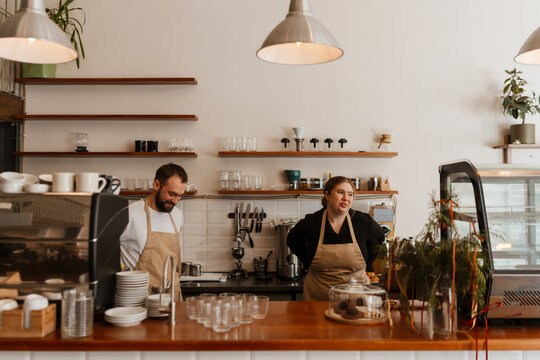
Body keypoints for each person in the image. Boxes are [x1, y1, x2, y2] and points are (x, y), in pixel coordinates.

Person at [287, 176, 385, 301]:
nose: (346, 198)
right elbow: (291, 240)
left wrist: (366, 263)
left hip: (356, 298)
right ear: (327, 195)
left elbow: (379, 240)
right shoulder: (311, 223)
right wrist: (309, 262)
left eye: (350, 194)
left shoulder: (362, 222)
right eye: (340, 192)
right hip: (318, 298)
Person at [120, 163, 187, 301]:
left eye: (180, 196)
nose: (175, 201)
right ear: (156, 185)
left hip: (171, 298)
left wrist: (177, 273)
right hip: (139, 300)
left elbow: (175, 249)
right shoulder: (129, 214)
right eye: (172, 194)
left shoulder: (177, 215)